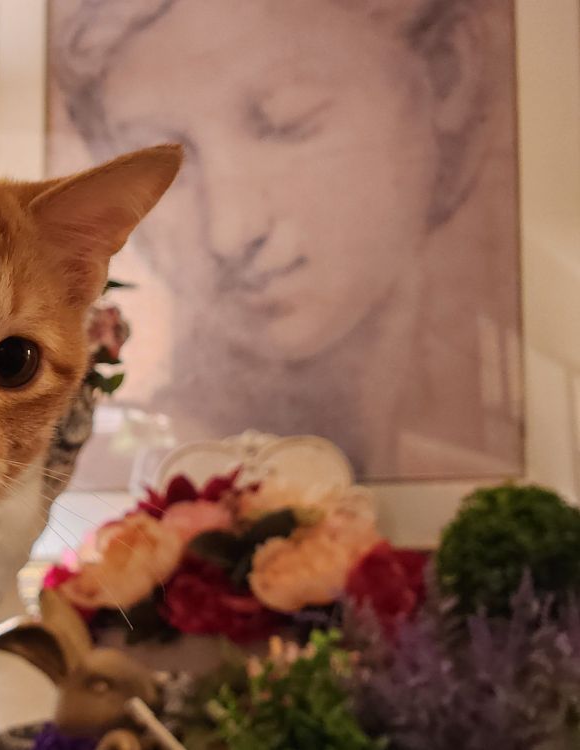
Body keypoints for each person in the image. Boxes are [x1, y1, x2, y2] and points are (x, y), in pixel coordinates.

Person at [48, 0, 521, 479]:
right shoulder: (97, 470)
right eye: (169, 167)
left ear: (446, 74)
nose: (229, 232)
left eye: (286, 121)